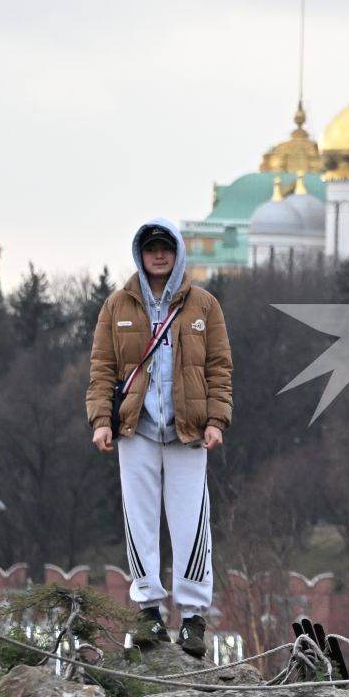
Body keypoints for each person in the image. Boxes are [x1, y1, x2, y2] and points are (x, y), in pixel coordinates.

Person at [85, 218, 233, 659]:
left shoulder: (204, 305)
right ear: (140, 253)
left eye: (165, 247)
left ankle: (191, 617)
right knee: (140, 520)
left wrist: (216, 421)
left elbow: (220, 369)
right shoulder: (117, 306)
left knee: (192, 523)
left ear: (178, 252)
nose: (158, 255)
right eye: (150, 248)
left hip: (188, 431)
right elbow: (102, 369)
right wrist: (100, 421)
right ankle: (148, 609)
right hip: (138, 429)